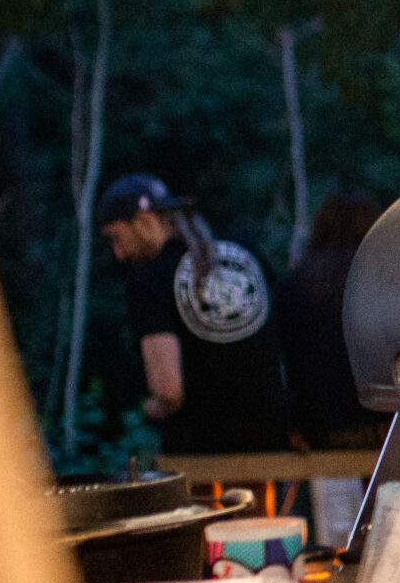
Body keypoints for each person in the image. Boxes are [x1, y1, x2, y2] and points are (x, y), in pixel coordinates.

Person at [98, 174, 292, 455]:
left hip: (202, 453)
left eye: (117, 237)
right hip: (270, 440)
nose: (118, 253)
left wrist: (148, 408)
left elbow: (168, 391)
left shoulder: (149, 280)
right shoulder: (246, 253)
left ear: (143, 221)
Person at [277, 189, 386, 449]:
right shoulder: (390, 285)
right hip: (386, 426)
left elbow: (286, 365)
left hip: (319, 429)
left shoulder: (293, 285)